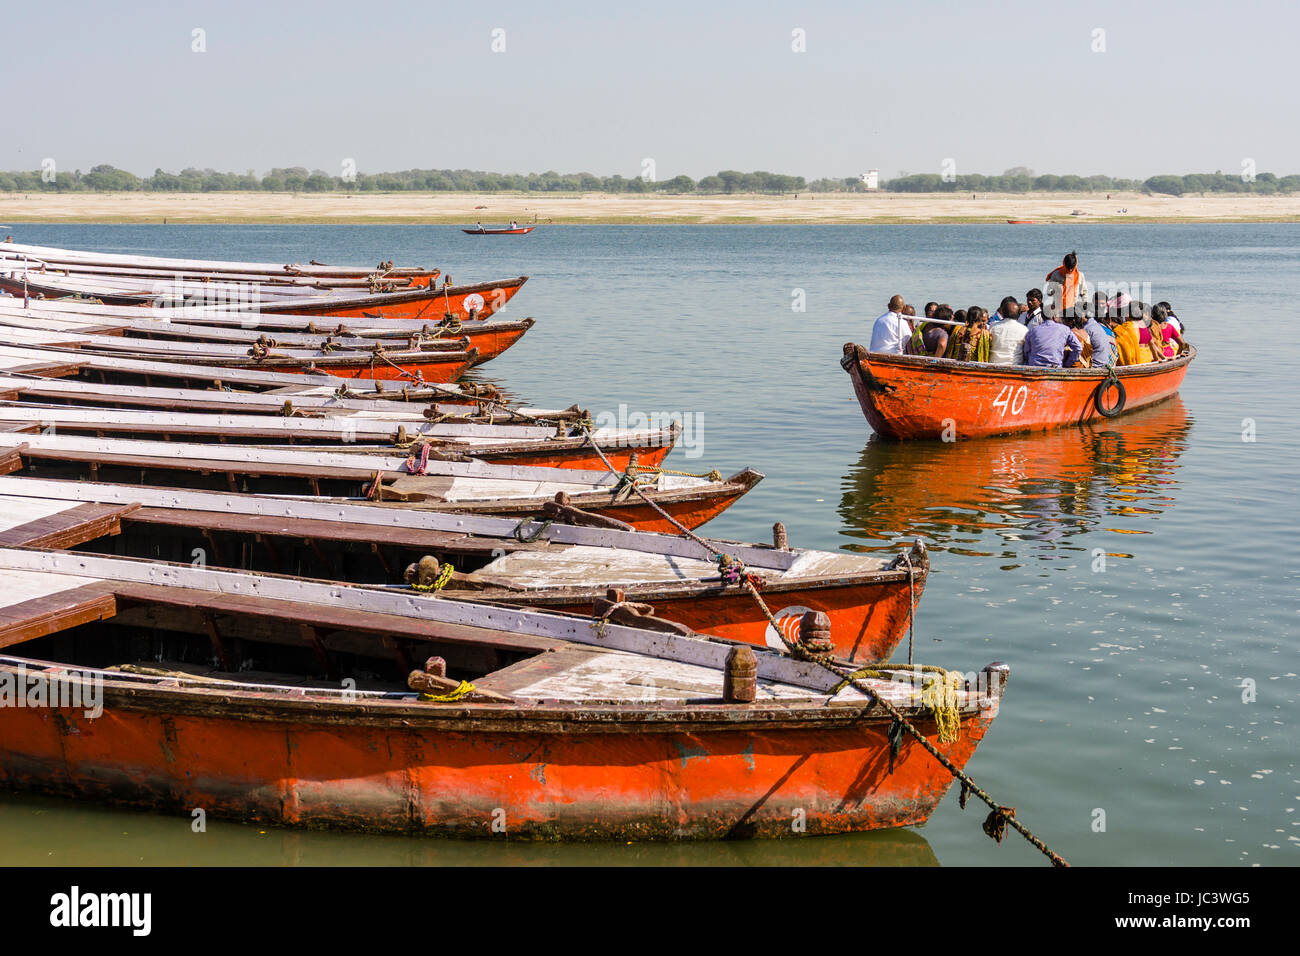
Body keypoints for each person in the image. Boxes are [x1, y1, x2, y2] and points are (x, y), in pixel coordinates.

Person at [1044, 251, 1089, 320]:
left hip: (1073, 308)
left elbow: (1084, 292)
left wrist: (1085, 302)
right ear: (1064, 264)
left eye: (1072, 267)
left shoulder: (1080, 276)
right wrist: (1055, 289)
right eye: (1068, 268)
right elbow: (1048, 292)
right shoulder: (1056, 275)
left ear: (1075, 265)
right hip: (1058, 309)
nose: (1070, 270)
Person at [989, 299, 1029, 365]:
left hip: (994, 364)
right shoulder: (1024, 329)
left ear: (1003, 313)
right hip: (1015, 366)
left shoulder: (993, 326)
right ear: (1019, 314)